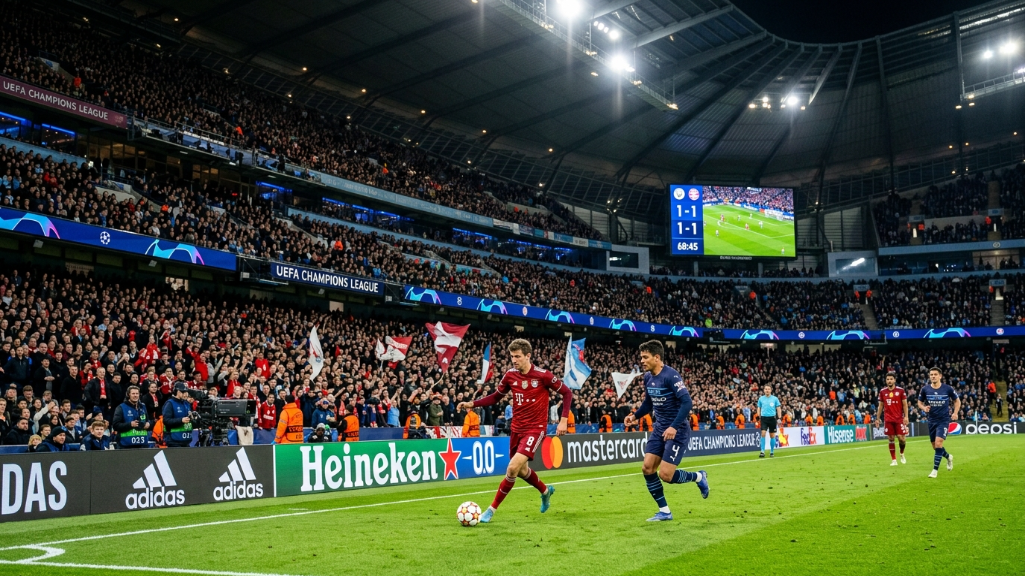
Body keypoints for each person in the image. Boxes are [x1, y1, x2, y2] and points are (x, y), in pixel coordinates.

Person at [457, 339, 572, 524]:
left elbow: (567, 393)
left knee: (511, 468)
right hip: (516, 429)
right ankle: (545, 491)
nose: (514, 360)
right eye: (512, 356)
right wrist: (473, 403)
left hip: (535, 429)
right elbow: (496, 397)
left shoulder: (543, 376)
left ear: (528, 356)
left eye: (517, 356)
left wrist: (563, 420)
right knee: (521, 470)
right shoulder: (510, 375)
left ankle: (491, 510)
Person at [623, 340, 708, 522]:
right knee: (647, 468)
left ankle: (699, 477)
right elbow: (648, 403)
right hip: (660, 428)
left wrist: (673, 426)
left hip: (677, 430)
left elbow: (687, 403)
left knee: (666, 475)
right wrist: (635, 416)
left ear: (657, 357)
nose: (642, 361)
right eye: (641, 357)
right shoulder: (648, 378)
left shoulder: (671, 376)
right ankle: (664, 511)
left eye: (645, 357)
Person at [917, 367, 961, 478]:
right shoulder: (925, 389)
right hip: (931, 420)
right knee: (935, 446)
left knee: (938, 444)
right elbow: (919, 402)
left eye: (935, 374)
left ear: (940, 376)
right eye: (931, 374)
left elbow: (957, 401)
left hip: (943, 420)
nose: (933, 376)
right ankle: (948, 457)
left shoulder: (947, 389)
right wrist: (923, 408)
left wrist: (955, 413)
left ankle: (934, 471)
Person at [875, 373, 908, 466]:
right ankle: (894, 460)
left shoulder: (900, 391)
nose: (889, 381)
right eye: (888, 379)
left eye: (891, 379)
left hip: (899, 419)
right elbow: (880, 406)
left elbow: (905, 405)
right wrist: (877, 418)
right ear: (886, 381)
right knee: (891, 438)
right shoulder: (882, 392)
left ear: (894, 380)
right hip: (888, 419)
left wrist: (906, 417)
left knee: (902, 438)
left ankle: (902, 453)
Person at [162, 383, 194, 448]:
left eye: (186, 392)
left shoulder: (187, 403)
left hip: (186, 440)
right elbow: (166, 420)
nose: (186, 394)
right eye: (184, 392)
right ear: (178, 392)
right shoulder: (170, 403)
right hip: (174, 440)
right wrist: (181, 420)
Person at [757, 384, 781, 458]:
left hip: (772, 418)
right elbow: (759, 408)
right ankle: (762, 451)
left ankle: (771, 451)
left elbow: (778, 408)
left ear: (771, 390)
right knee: (763, 433)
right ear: (764, 390)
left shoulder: (775, 399)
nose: (767, 390)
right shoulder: (761, 399)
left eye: (768, 389)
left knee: (772, 435)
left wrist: (779, 417)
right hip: (764, 418)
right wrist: (758, 416)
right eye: (766, 389)